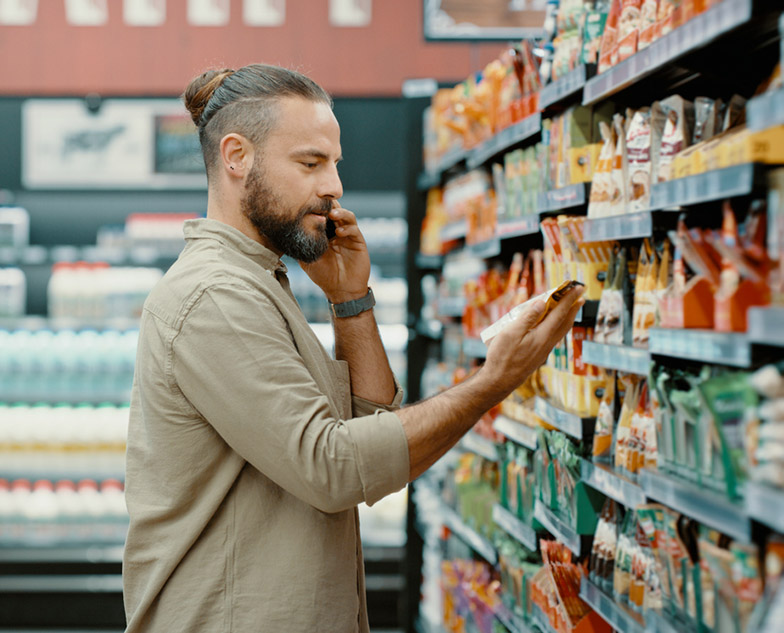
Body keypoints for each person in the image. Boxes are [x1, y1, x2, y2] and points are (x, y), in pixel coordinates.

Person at [122, 64, 584, 633]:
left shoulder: (262, 281)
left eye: (334, 164)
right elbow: (335, 469)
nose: (334, 186)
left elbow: (371, 433)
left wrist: (351, 300)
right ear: (236, 157)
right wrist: (493, 382)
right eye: (311, 163)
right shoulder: (215, 295)